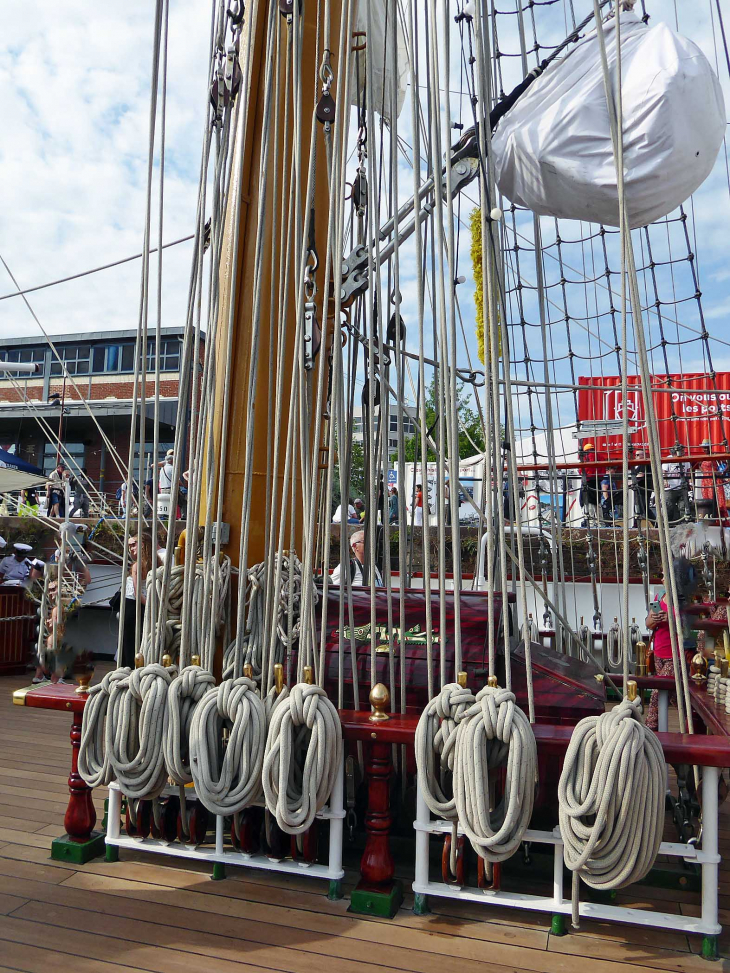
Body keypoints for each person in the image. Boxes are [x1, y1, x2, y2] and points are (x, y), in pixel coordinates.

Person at [645, 571, 686, 731]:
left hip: (674, 656)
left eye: (664, 576)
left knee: (657, 693)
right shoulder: (659, 597)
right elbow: (648, 623)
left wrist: (670, 619)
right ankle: (694, 722)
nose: (661, 579)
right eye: (661, 575)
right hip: (659, 653)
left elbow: (688, 626)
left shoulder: (682, 600)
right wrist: (653, 620)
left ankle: (651, 730)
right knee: (675, 696)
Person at [114, 532, 153, 669]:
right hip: (145, 605)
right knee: (142, 640)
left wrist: (148, 605)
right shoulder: (154, 561)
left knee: (128, 641)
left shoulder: (137, 565)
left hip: (133, 606)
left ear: (142, 545)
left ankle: (128, 670)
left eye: (133, 544)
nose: (130, 548)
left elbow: (136, 593)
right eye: (129, 545)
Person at [664, 446, 691, 524]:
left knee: (683, 507)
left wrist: (689, 482)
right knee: (669, 507)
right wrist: (665, 481)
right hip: (670, 487)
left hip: (682, 486)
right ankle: (668, 524)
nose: (683, 452)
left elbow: (688, 471)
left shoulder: (686, 460)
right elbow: (664, 471)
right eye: (682, 451)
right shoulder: (668, 459)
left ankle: (683, 523)